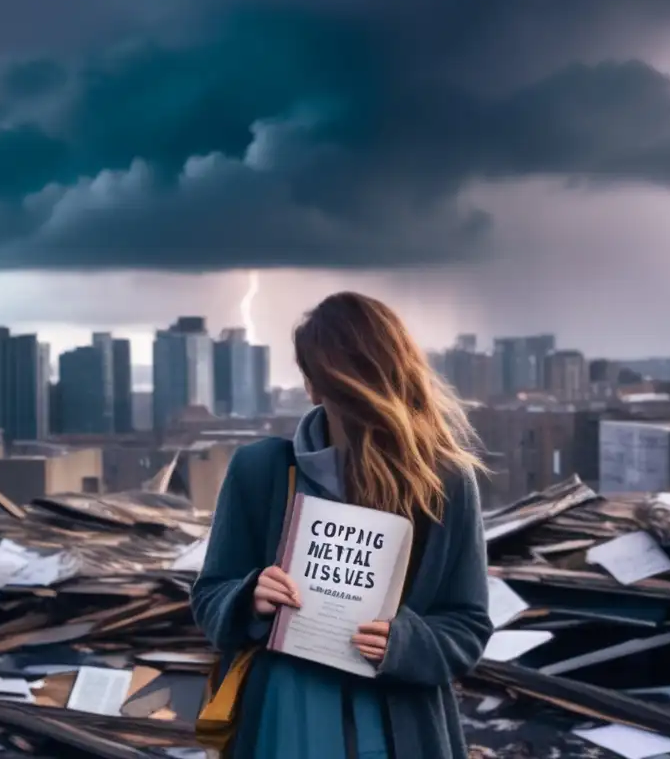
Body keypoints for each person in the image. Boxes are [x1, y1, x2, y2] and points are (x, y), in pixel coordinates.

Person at [191, 291, 493, 759]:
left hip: (398, 725)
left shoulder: (446, 480)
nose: (356, 400)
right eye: (340, 382)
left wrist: (405, 641)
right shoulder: (261, 470)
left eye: (362, 379)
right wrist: (249, 598)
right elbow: (210, 595)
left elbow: (468, 626)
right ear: (313, 387)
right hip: (285, 719)